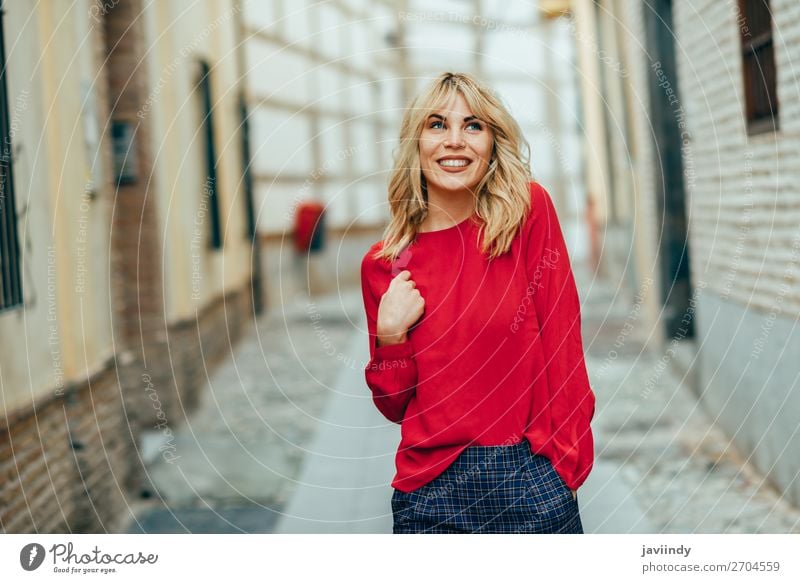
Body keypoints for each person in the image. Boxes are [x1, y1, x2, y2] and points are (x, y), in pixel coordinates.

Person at [359, 72, 596, 534]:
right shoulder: (384, 264)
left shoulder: (527, 214)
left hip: (530, 477)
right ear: (416, 141)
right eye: (436, 125)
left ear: (492, 142)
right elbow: (393, 404)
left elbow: (563, 341)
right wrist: (390, 338)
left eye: (472, 126)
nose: (455, 142)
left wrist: (564, 466)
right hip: (429, 493)